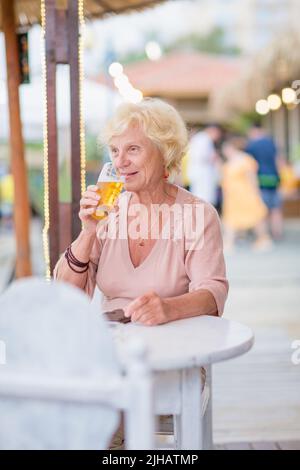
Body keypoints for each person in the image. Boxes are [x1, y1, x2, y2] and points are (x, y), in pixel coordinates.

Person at [54, 98, 229, 448]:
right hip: (109, 353)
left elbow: (213, 294)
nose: (120, 162)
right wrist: (88, 231)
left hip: (172, 355)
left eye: (133, 149)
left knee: (91, 418)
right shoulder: (109, 210)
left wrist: (168, 307)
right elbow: (65, 296)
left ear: (164, 152)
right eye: (115, 151)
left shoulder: (197, 214)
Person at [221, 135, 271, 252]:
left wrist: (257, 193)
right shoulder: (229, 162)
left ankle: (264, 239)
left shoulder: (246, 160)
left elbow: (252, 178)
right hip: (233, 196)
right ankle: (228, 242)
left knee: (256, 216)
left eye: (226, 148)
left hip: (246, 194)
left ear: (231, 148)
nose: (224, 151)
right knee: (230, 218)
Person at [245, 123, 283, 240]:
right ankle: (277, 233)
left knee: (262, 209)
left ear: (253, 131)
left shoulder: (251, 146)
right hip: (274, 179)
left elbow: (249, 165)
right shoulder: (271, 143)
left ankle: (265, 235)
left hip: (260, 180)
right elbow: (278, 161)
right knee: (276, 208)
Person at [187, 124, 222, 206]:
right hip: (202, 175)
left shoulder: (201, 138)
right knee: (203, 198)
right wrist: (214, 157)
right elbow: (201, 156)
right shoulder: (203, 139)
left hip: (202, 174)